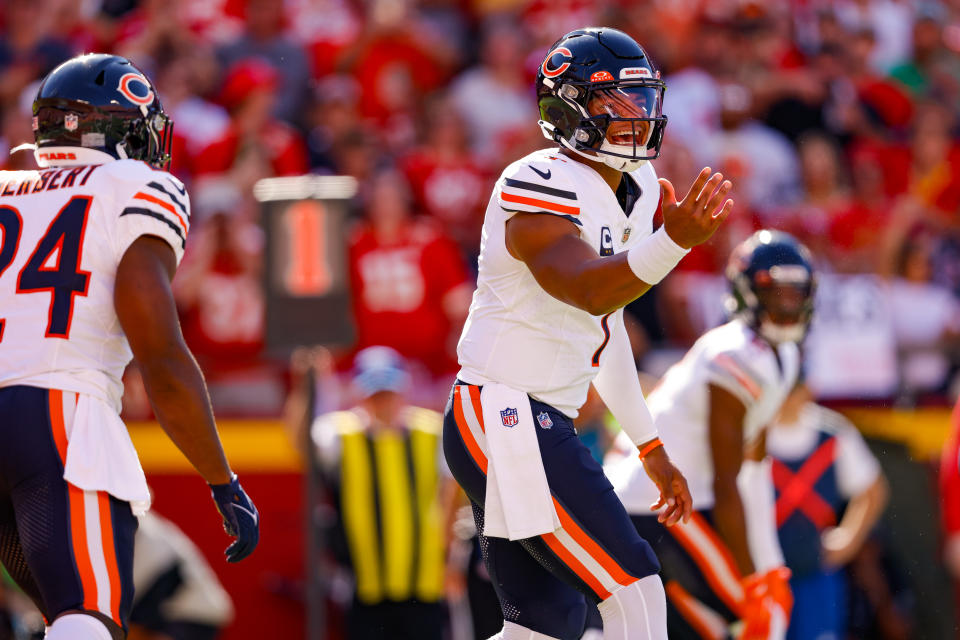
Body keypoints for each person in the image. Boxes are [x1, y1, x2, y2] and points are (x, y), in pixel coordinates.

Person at [444, 27, 734, 640]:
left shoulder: (641, 188)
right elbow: (587, 289)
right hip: (502, 410)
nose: (636, 118)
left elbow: (607, 328)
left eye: (641, 101)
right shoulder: (535, 180)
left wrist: (649, 447)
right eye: (614, 103)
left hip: (529, 416)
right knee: (635, 590)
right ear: (567, 107)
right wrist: (674, 240)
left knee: (543, 627)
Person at [0, 54, 259, 640]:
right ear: (116, 131)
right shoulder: (135, 185)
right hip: (57, 410)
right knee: (89, 617)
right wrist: (222, 481)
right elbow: (161, 355)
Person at [604, 230, 816, 640]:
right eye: (776, 292)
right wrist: (756, 577)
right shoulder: (734, 355)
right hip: (655, 503)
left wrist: (769, 564)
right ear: (748, 292)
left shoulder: (782, 356)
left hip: (676, 501)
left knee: (715, 626)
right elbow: (727, 479)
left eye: (796, 292)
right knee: (763, 614)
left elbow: (754, 467)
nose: (788, 303)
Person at [311, 346, 458, 640]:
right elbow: (302, 440)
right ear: (359, 395)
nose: (383, 402)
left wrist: (450, 562)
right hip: (365, 584)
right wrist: (313, 383)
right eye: (375, 394)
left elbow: (451, 499)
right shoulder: (340, 434)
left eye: (389, 392)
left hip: (424, 583)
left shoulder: (432, 433)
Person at [766, 381, 888, 640]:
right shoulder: (751, 431)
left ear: (808, 390)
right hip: (764, 573)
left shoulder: (831, 430)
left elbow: (872, 490)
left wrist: (848, 539)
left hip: (816, 571)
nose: (787, 398)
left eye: (793, 388)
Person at [128, 510, 235, 640]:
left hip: (195, 617)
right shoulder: (145, 528)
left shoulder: (146, 537)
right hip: (176, 612)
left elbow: (136, 622)